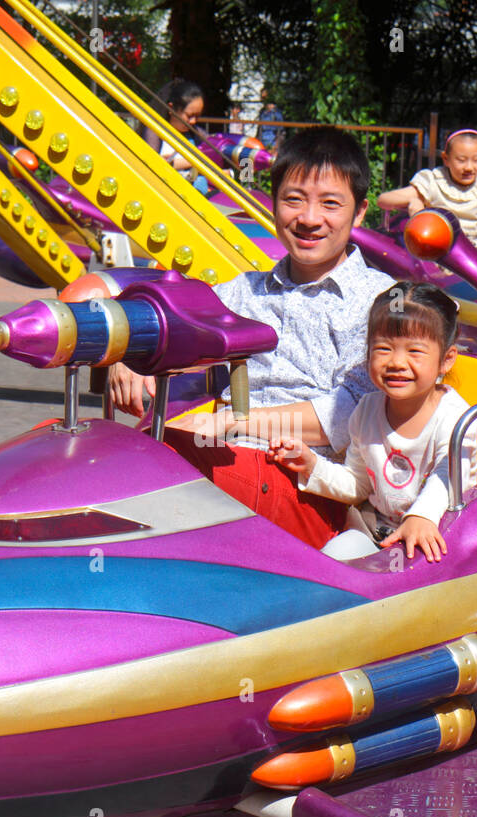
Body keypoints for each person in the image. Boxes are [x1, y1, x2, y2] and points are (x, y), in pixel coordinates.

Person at [109, 127, 395, 549]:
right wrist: (126, 354)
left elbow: (347, 415)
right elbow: (169, 316)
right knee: (83, 440)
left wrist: (231, 422)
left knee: (160, 450)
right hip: (229, 458)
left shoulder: (380, 301)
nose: (310, 219)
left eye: (330, 203)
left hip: (308, 484)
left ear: (359, 212)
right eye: (294, 199)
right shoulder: (244, 292)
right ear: (274, 203)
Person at [267, 282, 477, 563]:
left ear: (446, 359)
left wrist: (420, 516)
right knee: (330, 562)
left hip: (438, 538)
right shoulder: (367, 411)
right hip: (376, 534)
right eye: (383, 349)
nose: (397, 362)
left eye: (414, 351)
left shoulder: (456, 418)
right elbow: (357, 485)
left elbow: (448, 478)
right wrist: (312, 466)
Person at [377, 129, 477, 248]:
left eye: (476, 160)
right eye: (461, 160)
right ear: (446, 159)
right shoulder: (434, 180)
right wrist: (414, 202)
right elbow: (383, 199)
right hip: (441, 248)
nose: (469, 167)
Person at [147, 79, 208, 192]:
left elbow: (215, 153)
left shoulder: (196, 133)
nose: (193, 121)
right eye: (189, 116)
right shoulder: (155, 133)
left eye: (197, 116)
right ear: (171, 108)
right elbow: (152, 164)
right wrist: (196, 162)